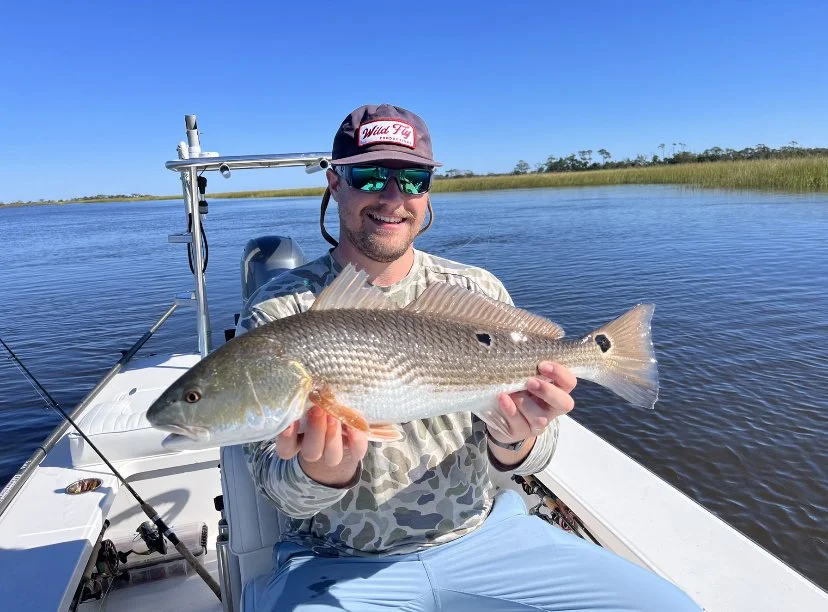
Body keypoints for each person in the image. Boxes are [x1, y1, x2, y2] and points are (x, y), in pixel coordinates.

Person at [236, 104, 700, 611]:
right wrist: (323, 471)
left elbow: (534, 455)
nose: (392, 197)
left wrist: (517, 436)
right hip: (336, 560)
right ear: (335, 182)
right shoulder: (280, 310)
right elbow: (274, 488)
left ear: (428, 190)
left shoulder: (476, 289)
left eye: (413, 179)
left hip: (487, 539)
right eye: (369, 175)